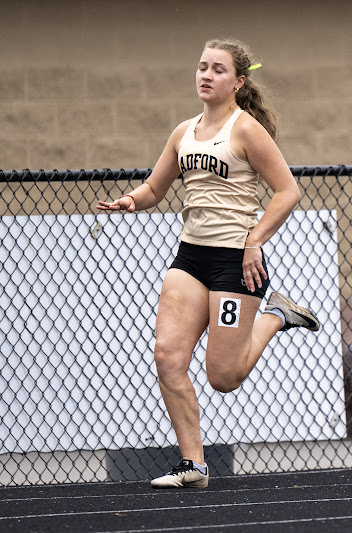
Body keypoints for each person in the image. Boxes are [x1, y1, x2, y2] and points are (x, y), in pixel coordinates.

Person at [97, 38, 320, 488]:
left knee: (224, 376)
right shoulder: (183, 131)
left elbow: (288, 191)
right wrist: (131, 201)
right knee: (167, 357)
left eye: (218, 70)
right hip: (190, 257)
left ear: (238, 81)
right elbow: (155, 188)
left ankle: (276, 314)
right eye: (202, 67)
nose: (206, 75)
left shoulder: (245, 130)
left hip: (235, 262)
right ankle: (193, 465)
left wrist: (256, 239)